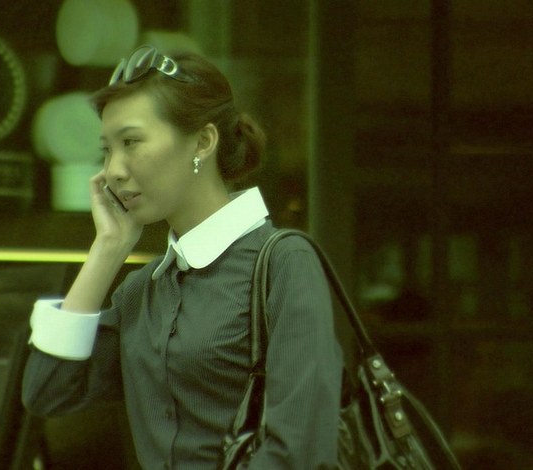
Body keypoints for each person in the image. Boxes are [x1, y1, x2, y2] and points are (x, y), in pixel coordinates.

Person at [22, 45, 343, 469]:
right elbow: (46, 392)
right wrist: (107, 249)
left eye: (131, 142)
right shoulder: (142, 292)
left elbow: (299, 452)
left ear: (203, 141)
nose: (114, 169)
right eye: (107, 150)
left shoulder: (284, 264)